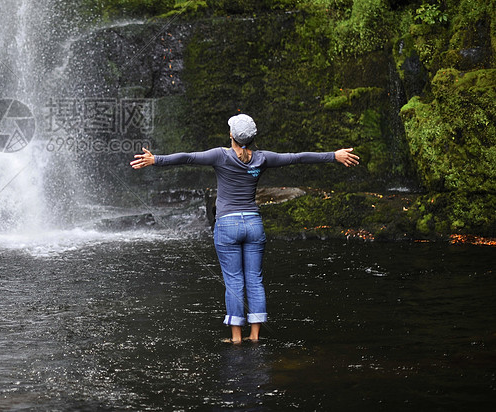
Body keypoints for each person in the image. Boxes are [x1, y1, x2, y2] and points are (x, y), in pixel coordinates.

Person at [130, 114, 359, 343]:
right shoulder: (262, 158)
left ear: (231, 135)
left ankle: (236, 337)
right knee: (255, 280)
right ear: (252, 138)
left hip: (228, 224)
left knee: (233, 281)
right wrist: (334, 156)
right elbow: (297, 158)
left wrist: (155, 160)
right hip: (253, 224)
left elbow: (188, 158)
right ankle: (255, 335)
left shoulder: (220, 155)